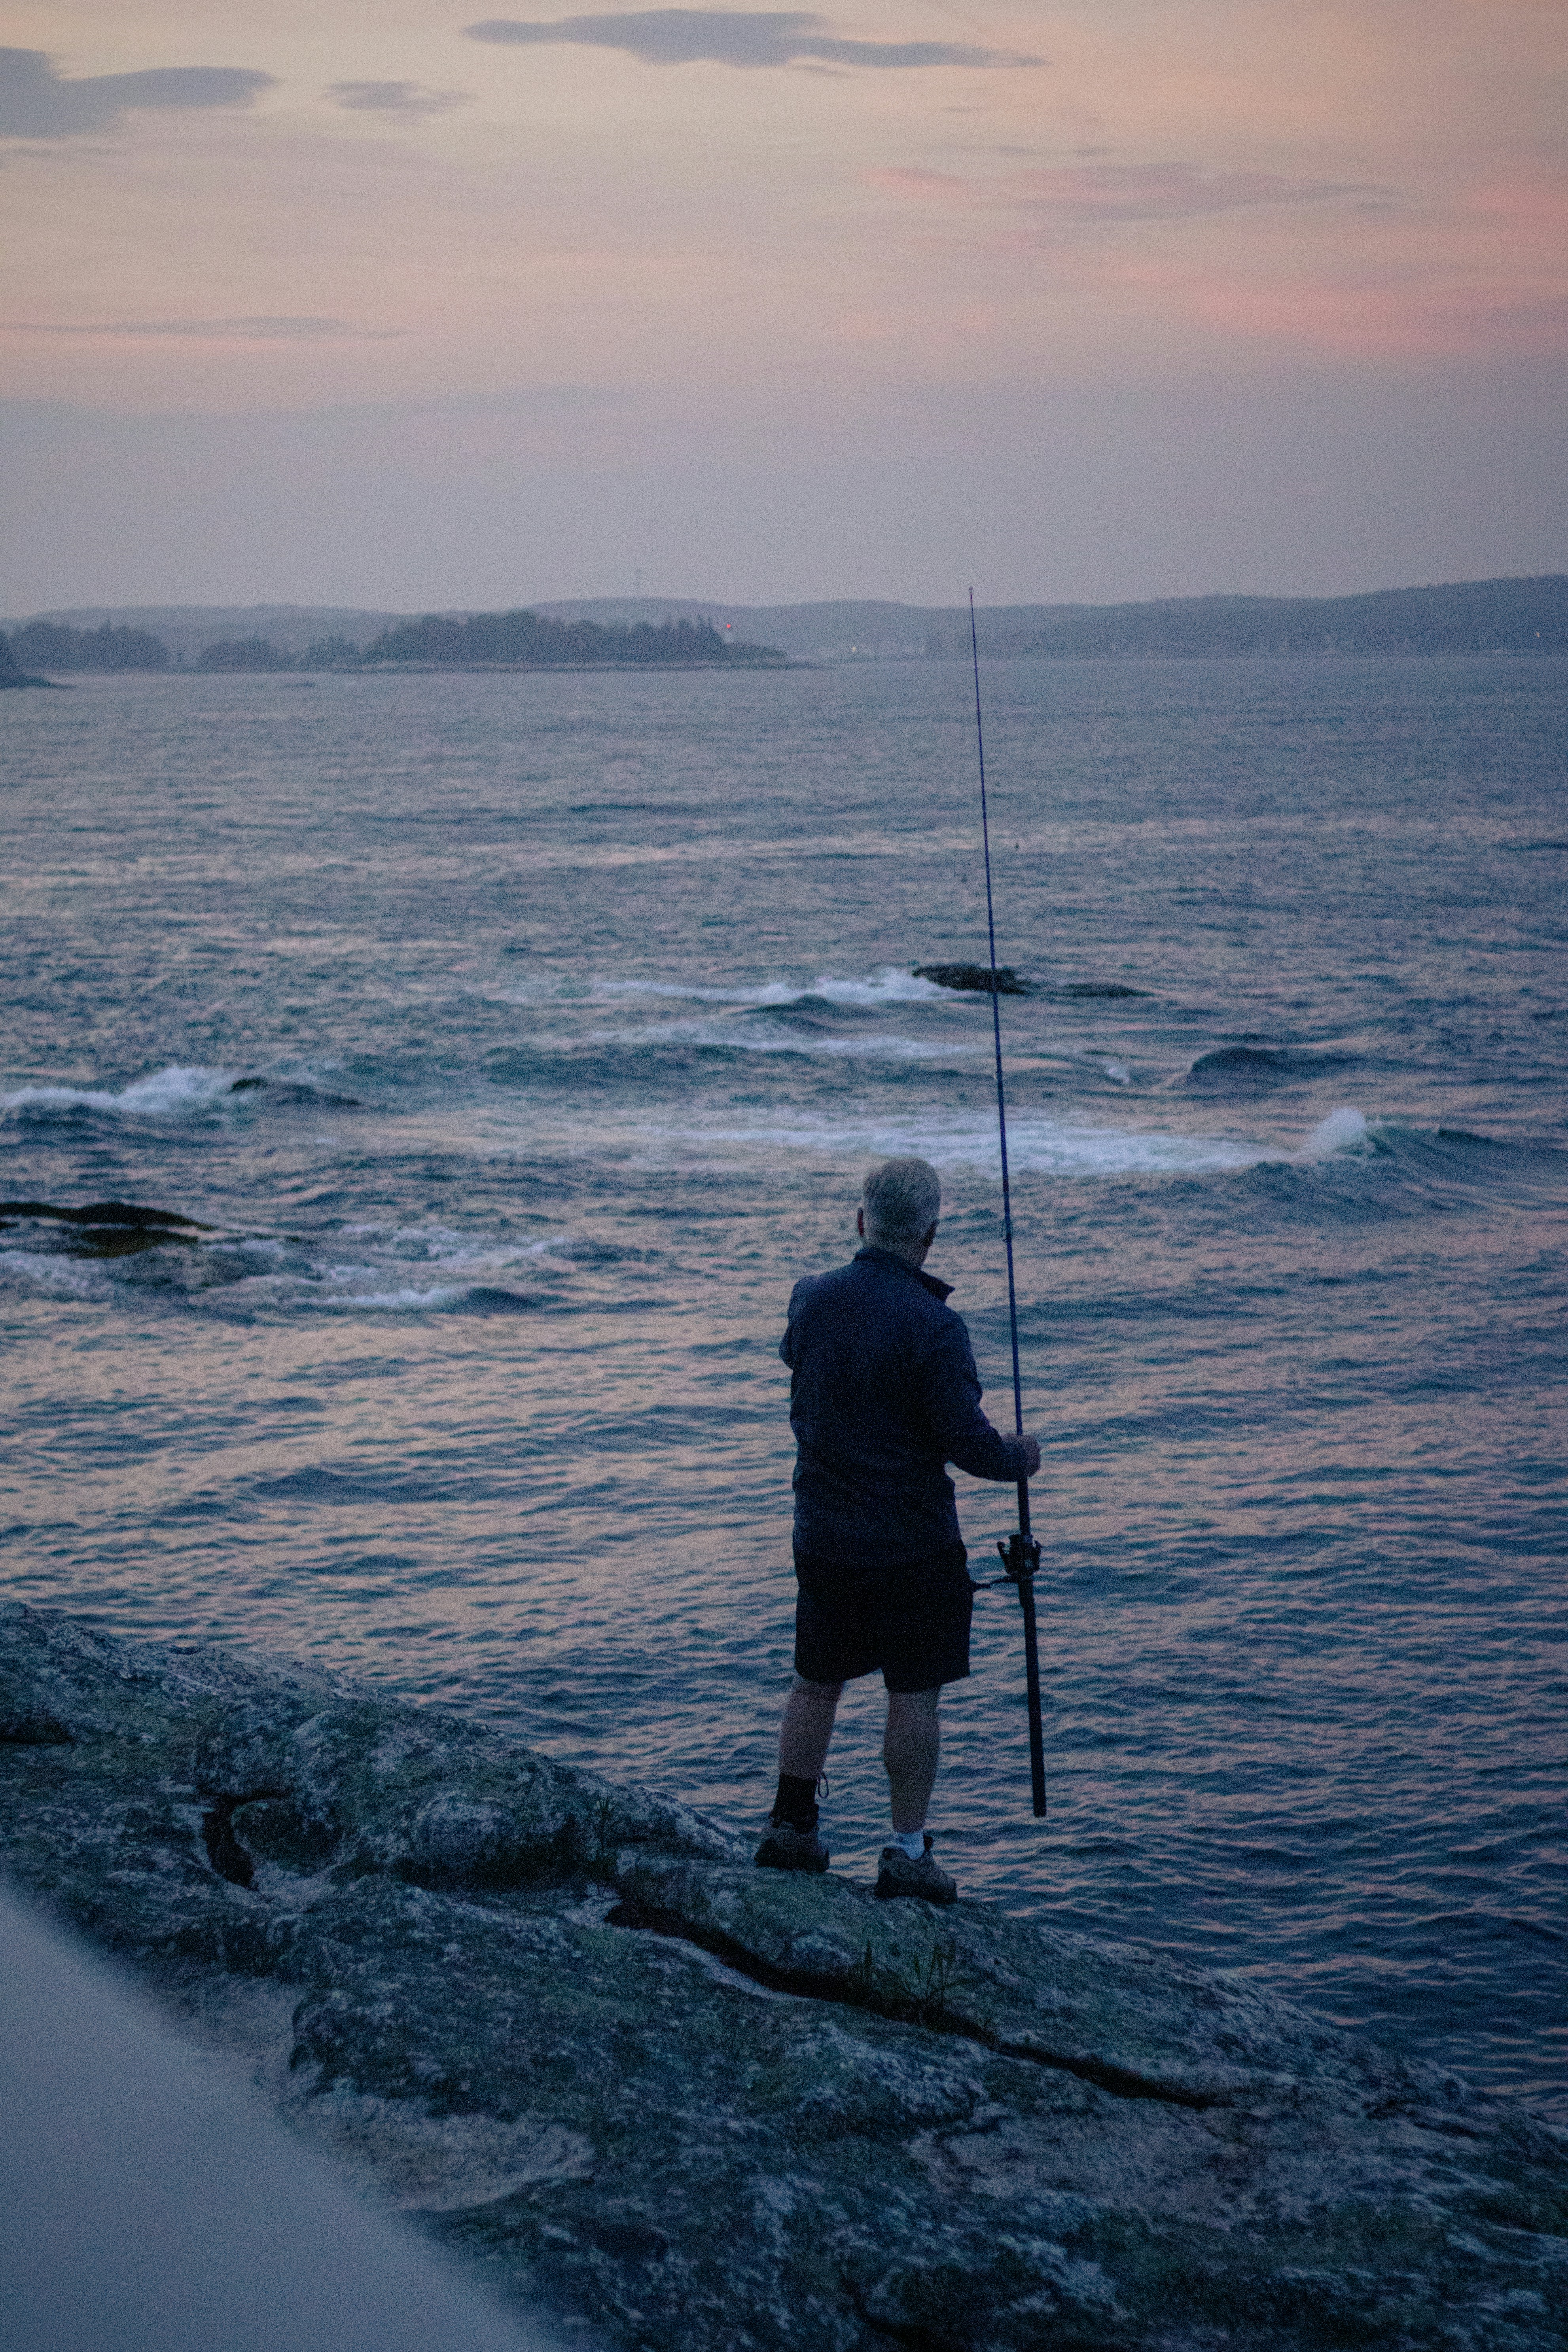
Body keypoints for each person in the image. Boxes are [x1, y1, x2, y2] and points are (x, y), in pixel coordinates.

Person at [758, 1156, 1040, 1903]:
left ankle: (791, 1828)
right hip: (913, 1549)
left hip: (823, 1535)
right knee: (913, 1698)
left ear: (861, 1222)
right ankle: (907, 1853)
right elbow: (971, 1447)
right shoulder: (937, 1326)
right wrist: (1023, 1457)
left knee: (815, 1683)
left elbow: (799, 1363)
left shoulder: (809, 1299)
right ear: (931, 1235)